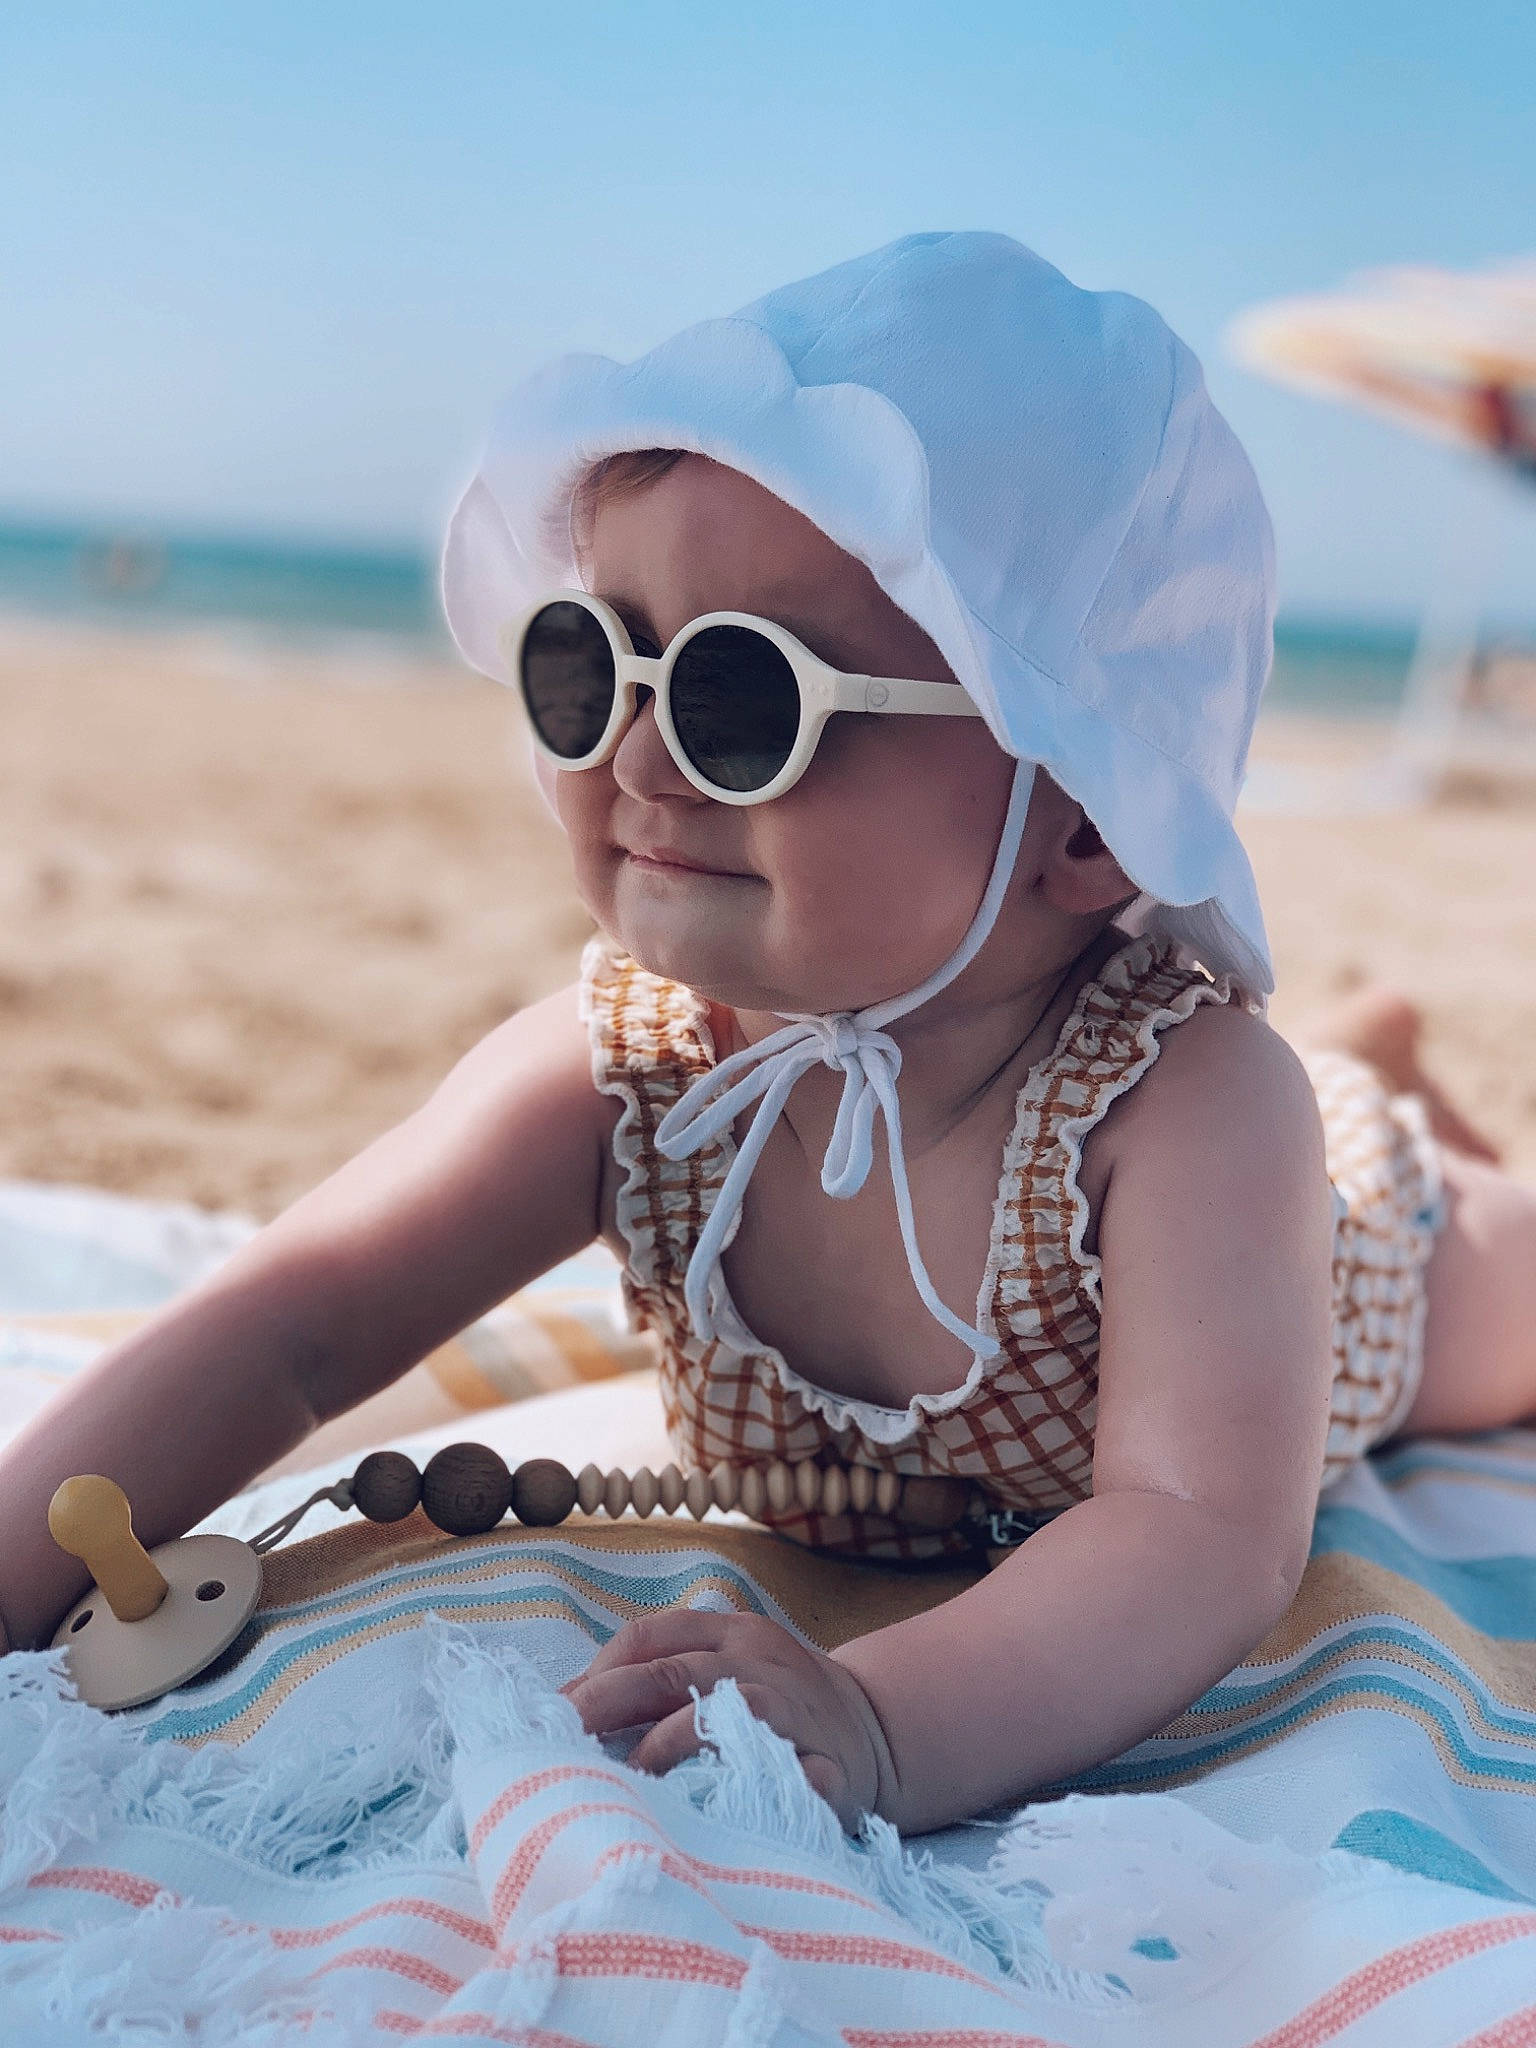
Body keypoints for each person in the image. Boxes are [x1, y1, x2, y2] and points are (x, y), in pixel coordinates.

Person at [4, 234, 1535, 1836]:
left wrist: (880, 1724)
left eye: (748, 700)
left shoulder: (1190, 1108)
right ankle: (1380, 1032)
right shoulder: (630, 1074)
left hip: (1363, 1252)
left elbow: (1202, 1527)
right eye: (589, 664)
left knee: (1505, 1294)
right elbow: (287, 1323)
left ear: (1084, 820)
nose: (645, 755)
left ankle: (1382, 1073)